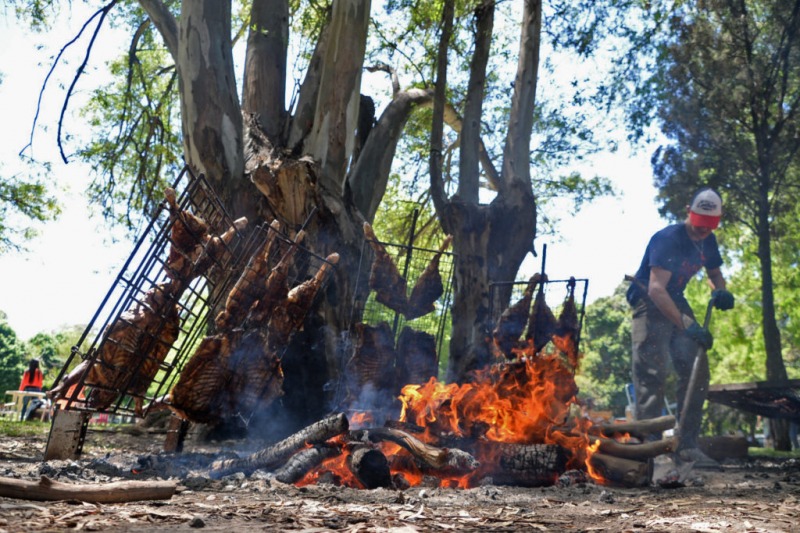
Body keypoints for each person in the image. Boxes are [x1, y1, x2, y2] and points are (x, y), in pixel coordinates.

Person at [626, 187, 735, 467]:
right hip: (648, 300)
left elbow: (715, 274)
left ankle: (687, 445)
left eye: (709, 227)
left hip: (675, 297)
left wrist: (720, 290)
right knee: (652, 371)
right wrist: (687, 324)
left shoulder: (708, 241)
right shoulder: (668, 239)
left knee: (697, 368)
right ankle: (649, 449)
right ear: (689, 212)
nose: (703, 232)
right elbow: (656, 289)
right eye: (699, 225)